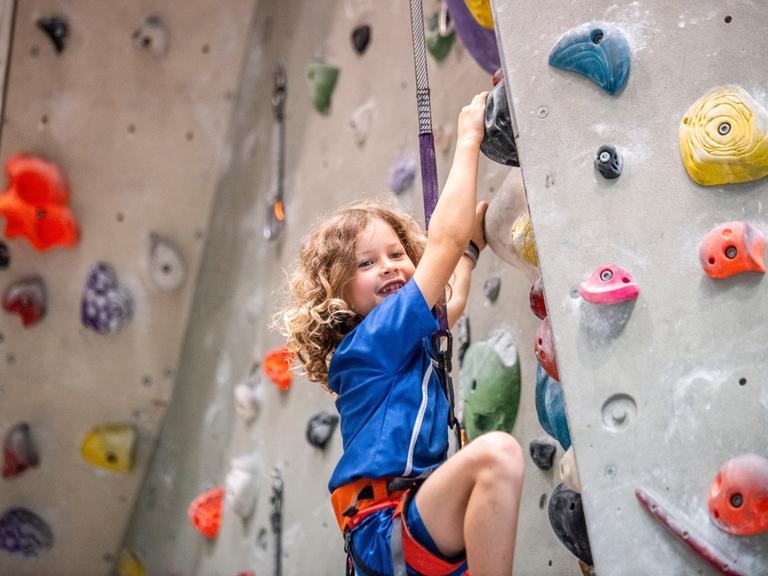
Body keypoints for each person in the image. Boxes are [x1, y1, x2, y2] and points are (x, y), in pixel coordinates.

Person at [279, 92, 524, 576]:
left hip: (408, 522)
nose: (389, 268)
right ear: (338, 293)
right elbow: (445, 243)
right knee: (496, 456)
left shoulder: (402, 338)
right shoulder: (371, 341)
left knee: (494, 462)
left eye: (396, 254)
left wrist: (470, 254)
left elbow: (448, 305)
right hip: (383, 526)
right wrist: (470, 135)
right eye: (366, 263)